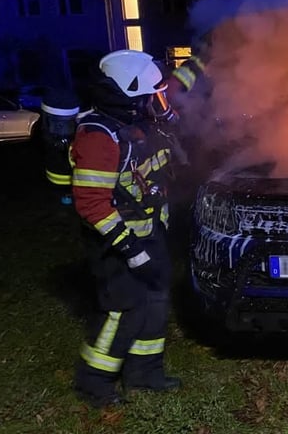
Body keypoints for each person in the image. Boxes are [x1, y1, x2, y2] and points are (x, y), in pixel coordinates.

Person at [70, 49, 181, 408]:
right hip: (116, 242)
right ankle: (94, 382)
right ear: (129, 94)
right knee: (123, 308)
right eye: (151, 95)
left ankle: (144, 374)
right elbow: (91, 204)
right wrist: (131, 250)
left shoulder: (138, 124)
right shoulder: (98, 136)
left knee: (156, 301)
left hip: (151, 231)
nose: (156, 102)